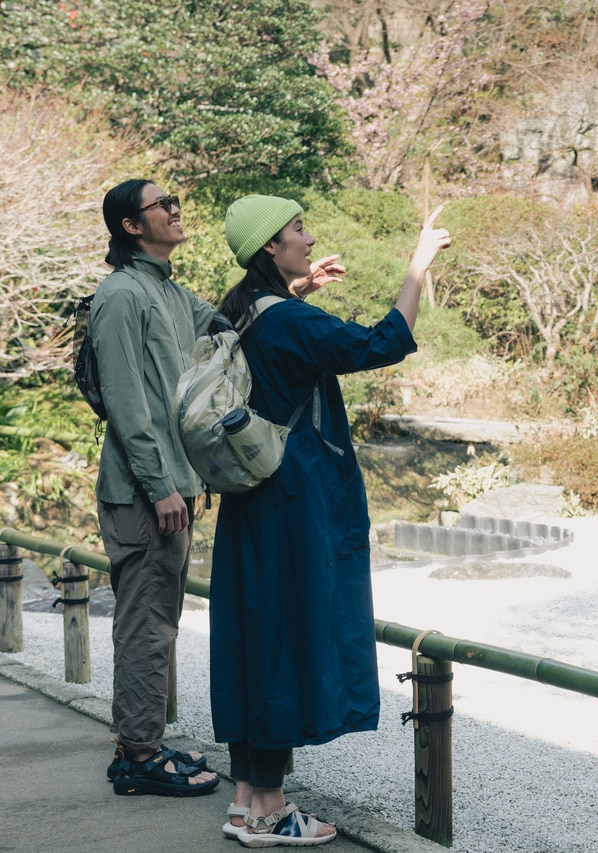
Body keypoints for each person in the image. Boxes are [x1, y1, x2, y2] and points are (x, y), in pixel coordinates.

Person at [209, 195, 451, 847]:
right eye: (297, 231)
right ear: (270, 246)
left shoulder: (239, 310)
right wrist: (417, 267)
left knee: (251, 635)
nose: (309, 238)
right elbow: (382, 341)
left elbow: (275, 343)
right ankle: (270, 812)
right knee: (285, 638)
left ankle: (245, 798)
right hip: (292, 497)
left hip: (248, 497)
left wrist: (302, 288)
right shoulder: (287, 321)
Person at [92, 179, 220, 796]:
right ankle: (138, 760)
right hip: (147, 493)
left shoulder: (164, 289)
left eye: (175, 201)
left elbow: (219, 324)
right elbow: (125, 402)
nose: (175, 209)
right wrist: (160, 485)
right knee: (145, 626)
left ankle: (142, 744)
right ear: (131, 226)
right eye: (161, 204)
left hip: (172, 485)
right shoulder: (120, 294)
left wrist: (294, 286)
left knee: (158, 623)